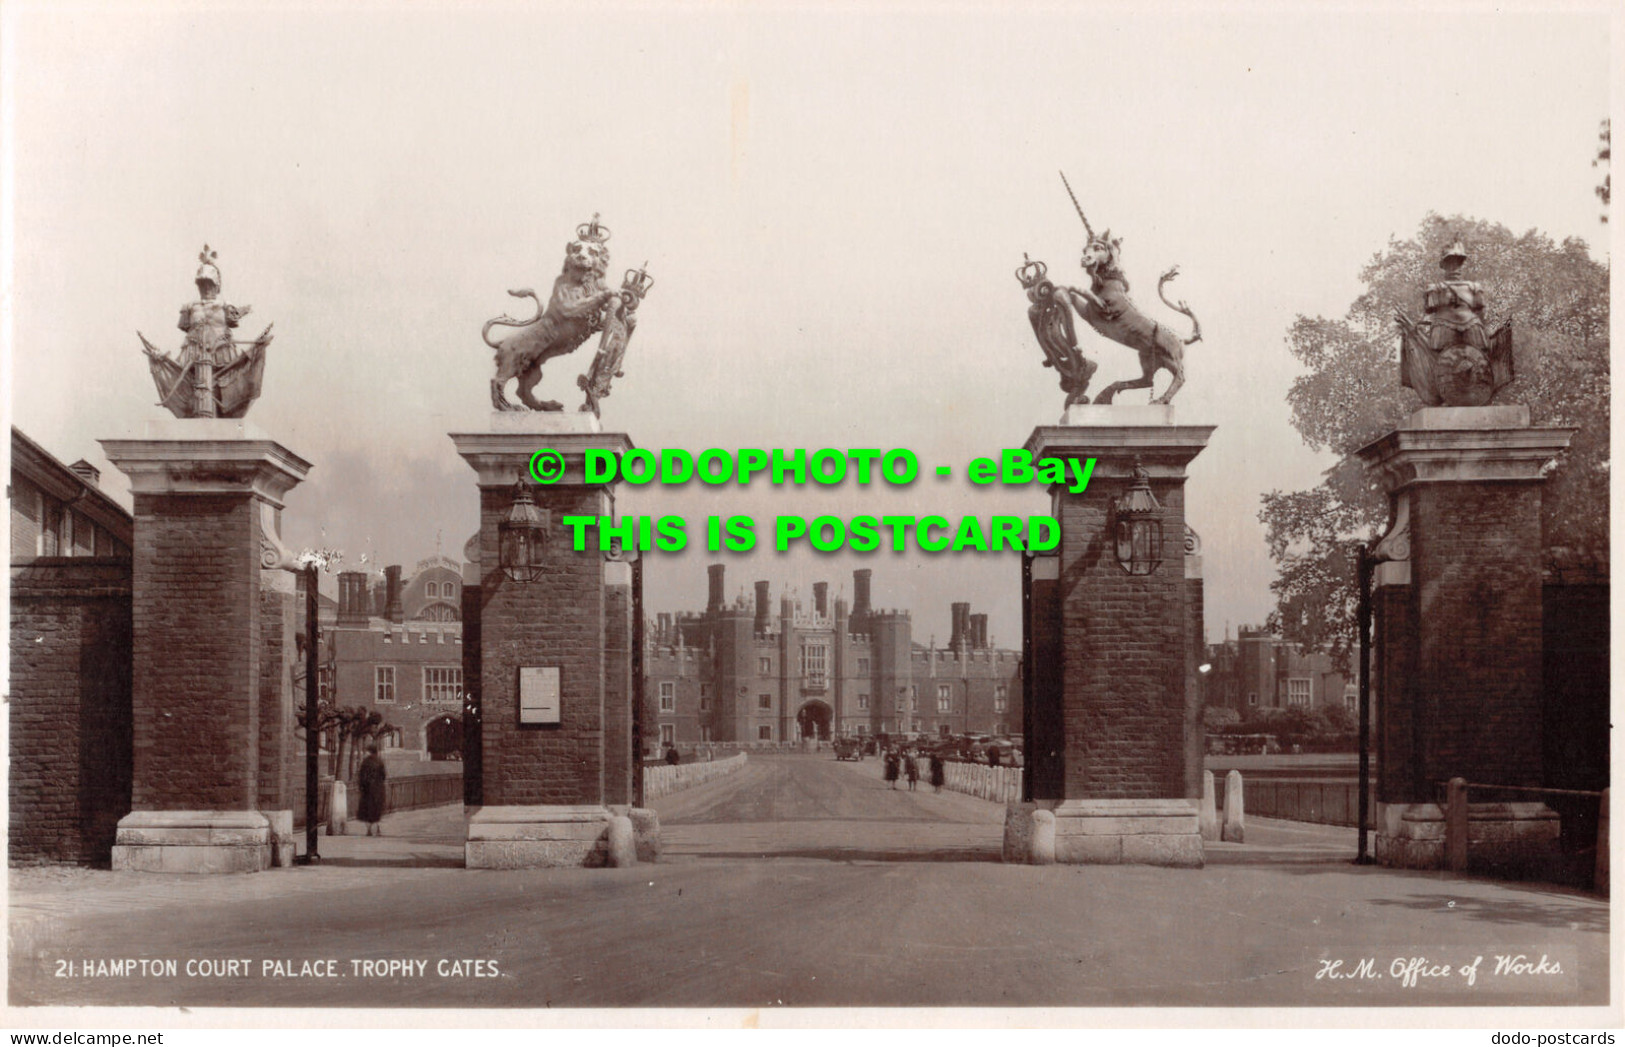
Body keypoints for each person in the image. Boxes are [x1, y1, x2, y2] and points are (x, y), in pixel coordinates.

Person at [357, 742, 387, 837]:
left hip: (367, 790)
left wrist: (361, 787)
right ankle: (376, 829)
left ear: (369, 752)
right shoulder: (380, 761)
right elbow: (383, 776)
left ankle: (369, 830)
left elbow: (362, 776)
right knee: (377, 810)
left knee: (367, 811)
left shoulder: (365, 762)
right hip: (378, 790)